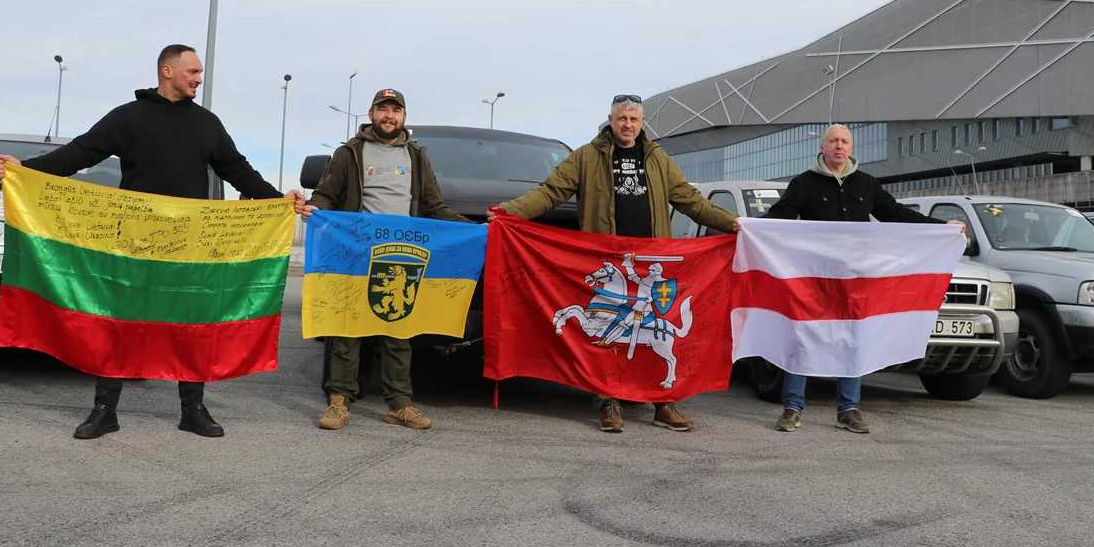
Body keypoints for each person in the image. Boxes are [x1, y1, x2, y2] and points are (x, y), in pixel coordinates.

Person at [0, 44, 307, 440]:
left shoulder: (206, 123)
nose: (198, 78)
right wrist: (26, 170)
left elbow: (238, 170)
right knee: (119, 319)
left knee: (190, 321)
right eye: (192, 71)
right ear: (167, 71)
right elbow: (80, 154)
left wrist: (278, 202)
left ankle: (193, 409)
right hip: (133, 241)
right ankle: (105, 410)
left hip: (190, 245)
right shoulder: (129, 117)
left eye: (200, 73)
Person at [490, 94, 737, 433]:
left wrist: (733, 223)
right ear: (610, 119)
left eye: (634, 119)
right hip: (605, 258)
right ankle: (608, 402)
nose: (628, 125)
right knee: (607, 333)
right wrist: (510, 212)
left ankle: (664, 403)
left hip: (651, 260)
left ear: (642, 122)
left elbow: (690, 201)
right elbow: (550, 192)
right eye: (622, 118)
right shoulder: (587, 157)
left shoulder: (658, 159)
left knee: (655, 330)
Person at [763, 123, 963, 435]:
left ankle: (849, 409)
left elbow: (895, 214)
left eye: (844, 141)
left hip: (856, 278)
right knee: (803, 337)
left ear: (851, 148)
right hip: (815, 279)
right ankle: (792, 406)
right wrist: (748, 226)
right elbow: (779, 216)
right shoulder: (803, 184)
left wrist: (940, 227)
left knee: (853, 339)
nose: (839, 146)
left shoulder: (867, 184)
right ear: (823, 146)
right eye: (833, 141)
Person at [303, 88, 470, 432]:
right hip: (355, 253)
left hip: (401, 254)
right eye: (383, 109)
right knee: (347, 328)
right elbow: (326, 194)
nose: (389, 116)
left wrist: (475, 230)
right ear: (371, 113)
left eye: (396, 110)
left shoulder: (417, 155)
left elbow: (433, 205)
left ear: (404, 117)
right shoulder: (350, 152)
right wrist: (315, 209)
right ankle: (338, 401)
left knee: (399, 329)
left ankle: (399, 404)